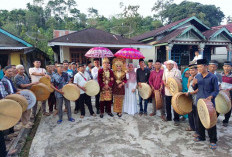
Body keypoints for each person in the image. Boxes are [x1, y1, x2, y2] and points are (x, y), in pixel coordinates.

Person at [192, 59, 219, 150]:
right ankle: (201, 136)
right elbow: (195, 88)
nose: (199, 69)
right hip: (199, 102)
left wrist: (211, 97)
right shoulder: (198, 76)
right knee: (199, 120)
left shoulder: (213, 77)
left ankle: (213, 140)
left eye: (200, 67)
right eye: (198, 67)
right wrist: (193, 84)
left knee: (211, 121)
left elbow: (216, 90)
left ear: (206, 66)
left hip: (209, 103)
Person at [162, 60, 181, 125]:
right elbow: (163, 80)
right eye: (168, 64)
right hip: (167, 91)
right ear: (166, 65)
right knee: (167, 105)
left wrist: (173, 84)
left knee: (175, 105)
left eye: (170, 64)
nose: (169, 66)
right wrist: (165, 84)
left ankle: (176, 119)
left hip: (175, 91)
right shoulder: (165, 71)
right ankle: (169, 117)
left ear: (173, 65)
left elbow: (179, 80)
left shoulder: (177, 71)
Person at [185, 63, 198, 135]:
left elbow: (199, 89)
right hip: (190, 96)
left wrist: (190, 93)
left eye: (192, 70)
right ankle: (191, 126)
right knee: (190, 112)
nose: (191, 72)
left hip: (196, 97)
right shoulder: (190, 77)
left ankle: (197, 129)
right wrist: (189, 81)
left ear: (196, 70)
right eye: (190, 70)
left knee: (196, 114)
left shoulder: (199, 77)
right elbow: (188, 87)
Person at [221, 61, 232, 127]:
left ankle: (226, 120)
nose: (226, 68)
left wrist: (229, 89)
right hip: (221, 92)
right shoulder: (220, 74)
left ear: (231, 67)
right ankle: (215, 118)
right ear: (223, 67)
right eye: (225, 66)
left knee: (228, 106)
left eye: (228, 66)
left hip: (229, 92)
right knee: (219, 104)